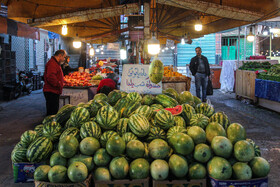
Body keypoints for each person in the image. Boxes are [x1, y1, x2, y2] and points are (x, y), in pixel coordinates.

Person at [43, 49, 67, 115]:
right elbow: (51, 77)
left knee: (54, 110)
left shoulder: (55, 63)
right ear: (60, 56)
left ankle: (51, 123)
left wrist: (62, 81)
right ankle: (50, 124)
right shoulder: (52, 64)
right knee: (52, 112)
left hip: (54, 90)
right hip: (51, 91)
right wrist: (58, 84)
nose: (64, 59)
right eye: (64, 57)